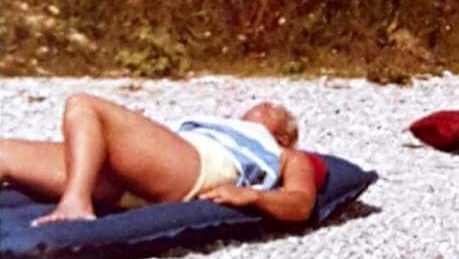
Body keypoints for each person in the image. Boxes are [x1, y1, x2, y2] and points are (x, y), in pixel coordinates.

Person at [0, 96, 320, 226]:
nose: (266, 104)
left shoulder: (285, 154)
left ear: (282, 137)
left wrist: (254, 195)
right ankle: (80, 191)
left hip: (195, 168)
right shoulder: (215, 127)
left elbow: (301, 202)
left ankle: (76, 202)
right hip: (140, 177)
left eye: (276, 110)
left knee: (83, 104)